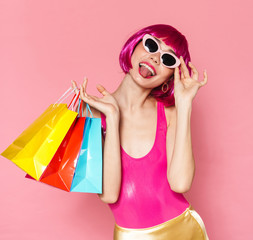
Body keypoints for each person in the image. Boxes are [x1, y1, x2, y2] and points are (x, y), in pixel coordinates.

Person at [73, 24, 209, 240]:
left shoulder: (171, 113)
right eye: (152, 45)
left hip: (183, 231)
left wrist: (184, 105)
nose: (156, 58)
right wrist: (113, 119)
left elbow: (180, 183)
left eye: (168, 59)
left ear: (170, 76)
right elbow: (109, 194)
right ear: (134, 46)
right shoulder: (90, 113)